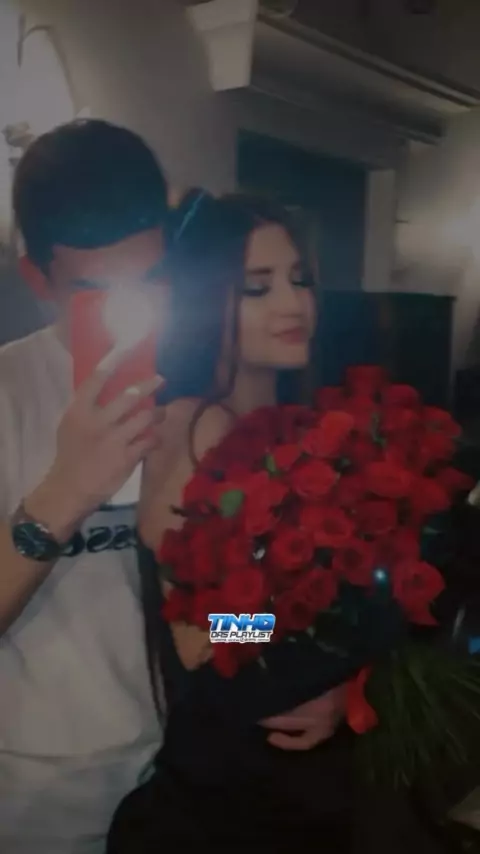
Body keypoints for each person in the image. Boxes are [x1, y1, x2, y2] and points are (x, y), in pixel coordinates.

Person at [108, 192, 402, 853]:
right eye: (257, 288)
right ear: (208, 298)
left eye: (300, 280)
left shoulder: (295, 426)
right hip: (226, 798)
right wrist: (340, 637)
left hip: (293, 783)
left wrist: (345, 665)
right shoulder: (196, 425)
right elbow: (204, 637)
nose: (294, 304)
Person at [0, 119, 170, 854]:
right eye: (92, 292)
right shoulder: (6, 392)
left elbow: (207, 623)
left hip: (187, 776)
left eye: (149, 280)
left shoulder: (203, 394)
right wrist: (65, 493)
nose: (127, 312)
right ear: (36, 277)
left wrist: (291, 657)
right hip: (33, 798)